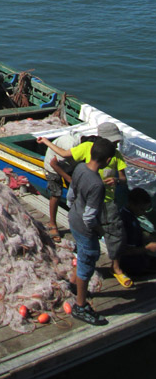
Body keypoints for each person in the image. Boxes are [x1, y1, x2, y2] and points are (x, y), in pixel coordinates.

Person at [38, 122, 129, 286]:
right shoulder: (88, 150)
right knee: (88, 243)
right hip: (89, 202)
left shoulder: (116, 156)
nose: (114, 145)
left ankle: (115, 267)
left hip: (107, 202)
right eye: (112, 142)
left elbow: (123, 178)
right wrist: (46, 142)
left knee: (116, 234)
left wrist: (116, 180)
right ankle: (80, 272)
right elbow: (64, 156)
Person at [67, 136, 116, 325]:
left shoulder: (80, 168)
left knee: (81, 254)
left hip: (73, 218)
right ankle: (80, 306)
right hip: (85, 226)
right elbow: (90, 216)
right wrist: (99, 231)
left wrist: (73, 211)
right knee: (87, 263)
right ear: (108, 160)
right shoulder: (97, 184)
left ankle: (73, 283)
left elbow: (72, 194)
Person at [42, 131, 81, 242]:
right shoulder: (69, 146)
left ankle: (78, 221)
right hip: (53, 167)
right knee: (56, 194)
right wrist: (68, 179)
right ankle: (52, 224)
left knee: (77, 194)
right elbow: (54, 164)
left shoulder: (85, 147)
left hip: (71, 166)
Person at [119, 188, 156, 277]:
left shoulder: (124, 212)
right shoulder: (130, 223)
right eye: (142, 209)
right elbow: (125, 251)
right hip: (132, 264)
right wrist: (147, 248)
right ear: (132, 204)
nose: (143, 213)